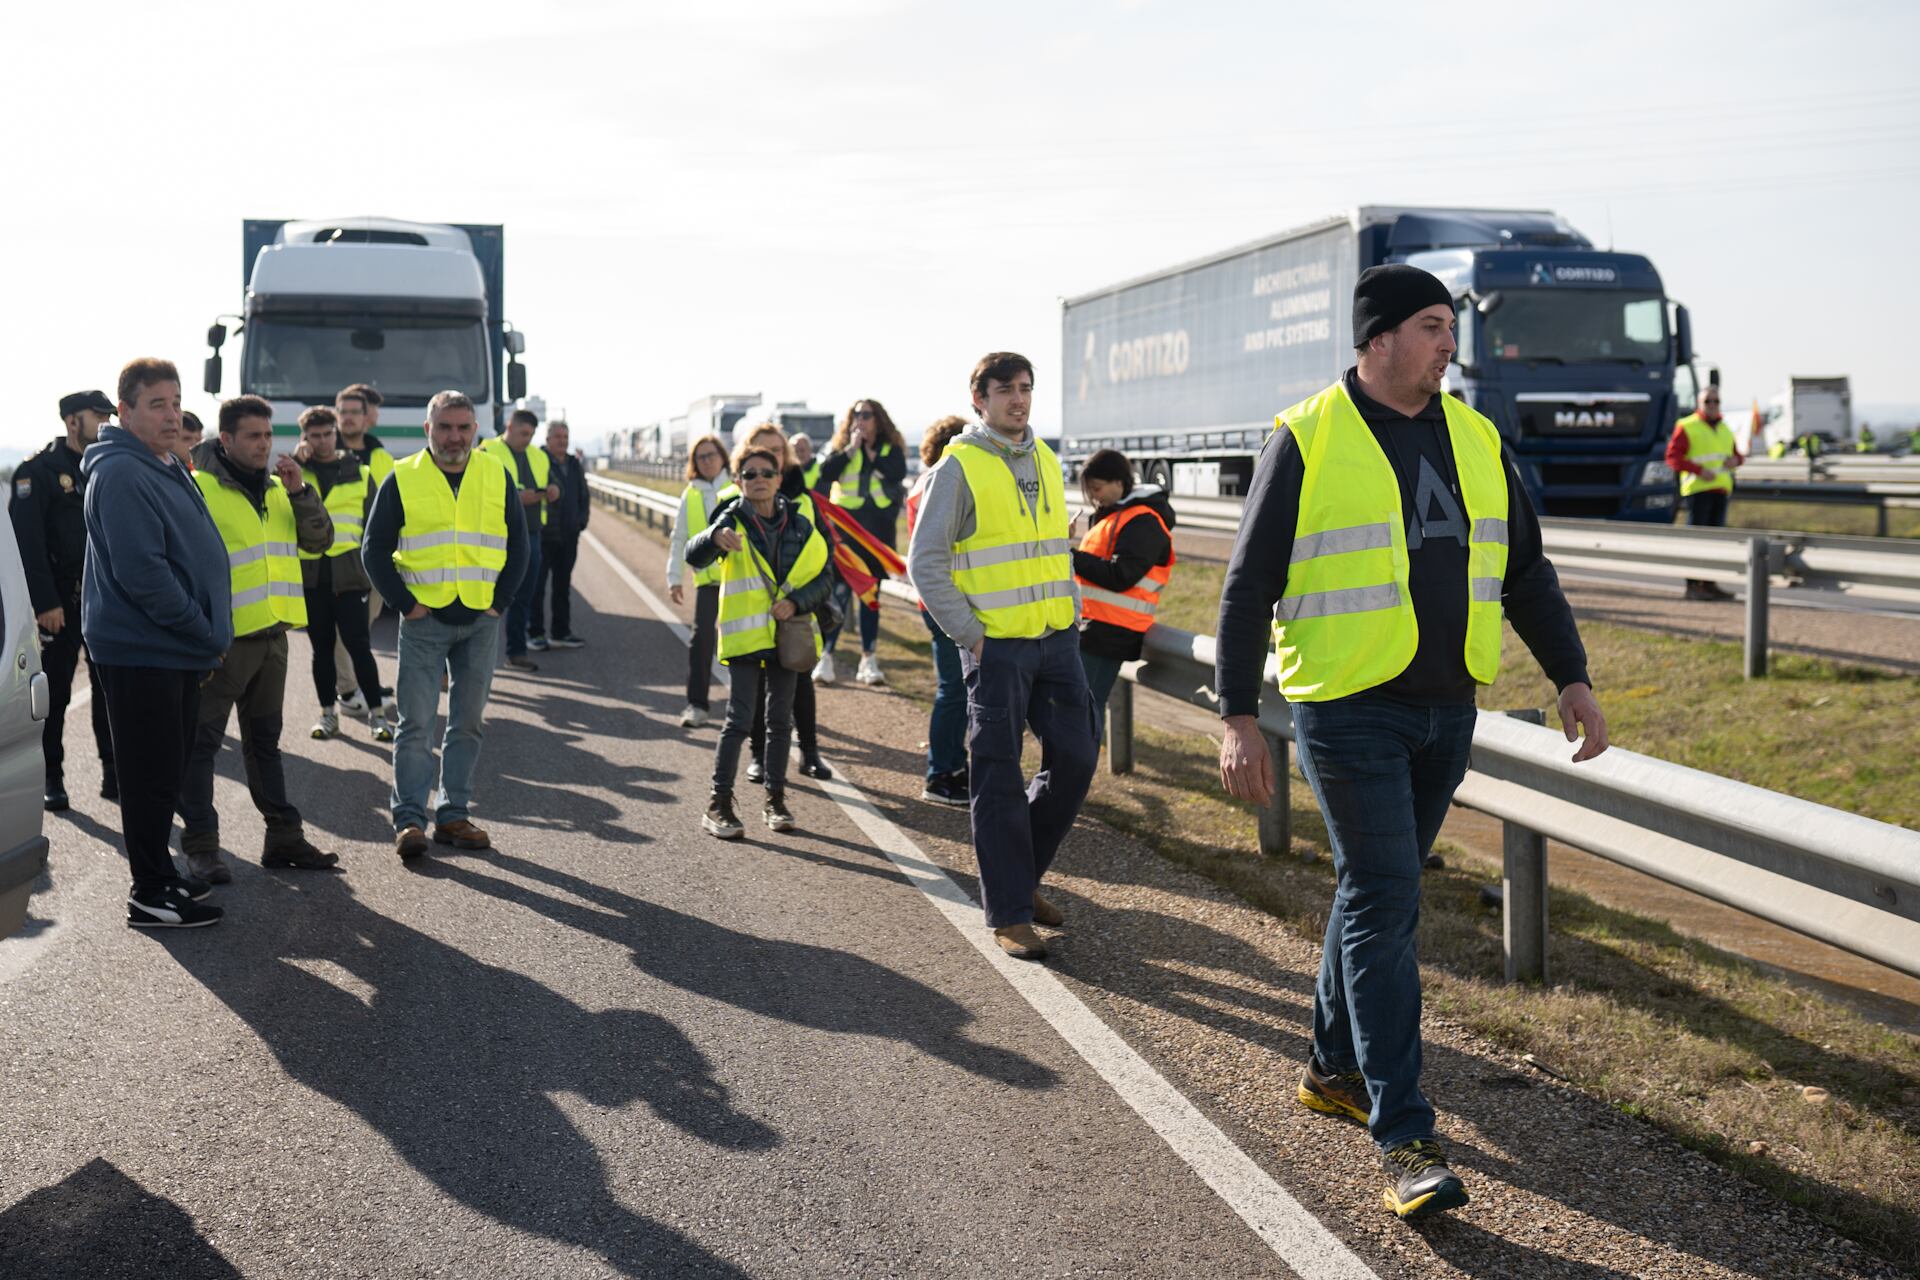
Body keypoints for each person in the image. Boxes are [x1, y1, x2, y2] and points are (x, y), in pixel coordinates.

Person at [1214, 265, 1608, 1222]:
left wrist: (1572, 678)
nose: (1448, 344)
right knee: (1389, 902)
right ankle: (1405, 1137)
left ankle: (1330, 1067)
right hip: (1347, 708)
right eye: (1432, 326)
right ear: (1377, 337)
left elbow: (1527, 572)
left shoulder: (1475, 436)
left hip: (1448, 708)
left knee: (1372, 894)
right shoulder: (1306, 436)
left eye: (1449, 328)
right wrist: (1234, 715)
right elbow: (1246, 585)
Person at [908, 352, 1095, 962]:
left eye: (1026, 388)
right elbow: (925, 562)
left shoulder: (1045, 456)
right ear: (979, 399)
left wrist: (1072, 607)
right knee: (995, 772)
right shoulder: (957, 467)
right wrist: (973, 636)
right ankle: (1010, 912)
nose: (1019, 399)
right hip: (997, 646)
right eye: (1006, 390)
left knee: (1076, 757)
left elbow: (1054, 548)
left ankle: (1021, 878)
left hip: (1057, 638)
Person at [81, 359, 231, 928]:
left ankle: (164, 879)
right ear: (125, 411)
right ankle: (149, 891)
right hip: (143, 649)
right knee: (148, 777)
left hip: (172, 648)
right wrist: (204, 627)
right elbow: (143, 575)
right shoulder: (121, 473)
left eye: (175, 402)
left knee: (166, 771)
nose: (171, 415)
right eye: (156, 405)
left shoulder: (163, 462)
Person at [179, 396, 340, 883]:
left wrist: (300, 492)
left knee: (264, 744)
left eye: (269, 436)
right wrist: (202, 634)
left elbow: (320, 541)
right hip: (222, 644)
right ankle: (202, 847)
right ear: (225, 439)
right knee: (200, 746)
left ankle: (284, 838)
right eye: (254, 436)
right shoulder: (198, 488)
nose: (265, 445)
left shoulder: (278, 488)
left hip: (272, 638)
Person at [363, 390, 528, 861]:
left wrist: (500, 603)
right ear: (427, 430)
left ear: (475, 430)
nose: (454, 436)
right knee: (415, 725)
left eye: (462, 427)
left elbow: (520, 546)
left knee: (467, 723)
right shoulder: (403, 476)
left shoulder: (495, 472)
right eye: (444, 427)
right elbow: (373, 550)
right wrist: (404, 604)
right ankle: (410, 820)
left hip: (480, 620)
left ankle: (453, 814)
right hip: (424, 621)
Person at [682, 439, 833, 839]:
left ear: (780, 478)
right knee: (739, 720)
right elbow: (692, 553)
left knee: (780, 722)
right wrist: (714, 538)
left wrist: (797, 601)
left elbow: (825, 575)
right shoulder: (730, 517)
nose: (760, 479)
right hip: (745, 638)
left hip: (786, 636)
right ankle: (719, 803)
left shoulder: (800, 522)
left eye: (767, 473)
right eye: (750, 474)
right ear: (738, 480)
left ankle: (776, 800)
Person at [11, 390, 119, 810]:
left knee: (109, 688)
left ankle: (114, 772)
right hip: (60, 601)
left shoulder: (104, 467)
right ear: (73, 421)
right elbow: (28, 544)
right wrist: (45, 603)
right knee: (55, 695)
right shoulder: (36, 472)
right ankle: (51, 776)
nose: (106, 422)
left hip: (105, 599)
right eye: (99, 415)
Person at [728, 424, 831, 783]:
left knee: (802, 680)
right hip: (754, 613)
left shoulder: (804, 498)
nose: (772, 455)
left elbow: (825, 559)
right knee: (757, 690)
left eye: (778, 450)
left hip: (795, 612)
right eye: (763, 449)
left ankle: (810, 751)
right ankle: (759, 755)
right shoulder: (736, 499)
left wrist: (800, 601)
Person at [295, 405, 392, 742]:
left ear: (335, 433)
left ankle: (377, 717)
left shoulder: (360, 472)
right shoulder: (294, 474)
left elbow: (376, 527)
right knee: (321, 649)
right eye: (314, 435)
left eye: (327, 434)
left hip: (351, 577)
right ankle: (327, 714)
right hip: (312, 576)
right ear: (304, 437)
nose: (321, 441)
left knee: (358, 646)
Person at [1071, 448, 1176, 751]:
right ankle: (1072, 780)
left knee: (1083, 710)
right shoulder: (1114, 516)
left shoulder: (1143, 521)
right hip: (1094, 626)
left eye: (1097, 488)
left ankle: (1074, 782)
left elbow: (1121, 576)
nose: (1094, 497)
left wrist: (1070, 556)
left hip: (1112, 631)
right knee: (1079, 708)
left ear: (1119, 482)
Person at [815, 398, 907, 686]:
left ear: (878, 419)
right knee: (838, 594)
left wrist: (870, 452)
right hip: (844, 534)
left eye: (866, 415)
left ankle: (869, 659)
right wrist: (852, 449)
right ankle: (826, 656)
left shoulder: (890, 449)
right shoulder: (841, 447)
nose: (861, 420)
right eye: (856, 415)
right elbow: (825, 473)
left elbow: (897, 473)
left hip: (875, 535)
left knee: (870, 598)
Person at [906, 415, 971, 807]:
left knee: (956, 689)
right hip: (946, 599)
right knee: (955, 690)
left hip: (937, 598)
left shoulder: (925, 482)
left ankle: (952, 766)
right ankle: (941, 774)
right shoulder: (940, 483)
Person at [330, 383, 396, 715]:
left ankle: (357, 681)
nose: (349, 418)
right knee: (345, 627)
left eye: (356, 412)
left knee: (364, 623)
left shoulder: (381, 456)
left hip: (375, 556)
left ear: (367, 417)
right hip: (339, 556)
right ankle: (347, 690)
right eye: (343, 412)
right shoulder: (319, 451)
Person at [479, 408, 557, 671]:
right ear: (509, 426)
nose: (527, 439)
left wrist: (554, 490)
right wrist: (515, 497)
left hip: (530, 535)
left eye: (531, 434)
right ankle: (472, 660)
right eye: (524, 433)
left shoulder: (538, 455)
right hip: (492, 535)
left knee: (523, 595)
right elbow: (477, 491)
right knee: (481, 597)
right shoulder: (487, 450)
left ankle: (516, 653)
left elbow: (553, 481)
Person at [668, 433, 730, 727]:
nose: (707, 461)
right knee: (701, 639)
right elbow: (679, 537)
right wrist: (674, 577)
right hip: (707, 581)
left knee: (748, 644)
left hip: (739, 581)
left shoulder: (736, 487)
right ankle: (697, 704)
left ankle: (761, 706)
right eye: (701, 457)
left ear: (722, 457)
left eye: (711, 455)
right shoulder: (689, 494)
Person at [1665, 386, 1742, 600]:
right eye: (1708, 401)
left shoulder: (1725, 427)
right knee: (1696, 541)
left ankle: (1709, 584)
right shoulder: (1687, 425)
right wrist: (1699, 471)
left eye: (1716, 401)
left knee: (1715, 542)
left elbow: (1737, 455)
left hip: (1720, 489)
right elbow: (1672, 457)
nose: (1712, 405)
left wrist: (1736, 460)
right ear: (1699, 403)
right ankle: (1693, 586)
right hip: (1698, 491)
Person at [529, 419, 589, 651]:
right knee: (537, 587)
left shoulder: (574, 464)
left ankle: (561, 632)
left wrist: (581, 521)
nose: (562, 441)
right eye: (558, 437)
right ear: (547, 439)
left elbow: (584, 495)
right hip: (544, 535)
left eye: (565, 437)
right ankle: (535, 633)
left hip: (569, 535)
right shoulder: (538, 460)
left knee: (562, 586)